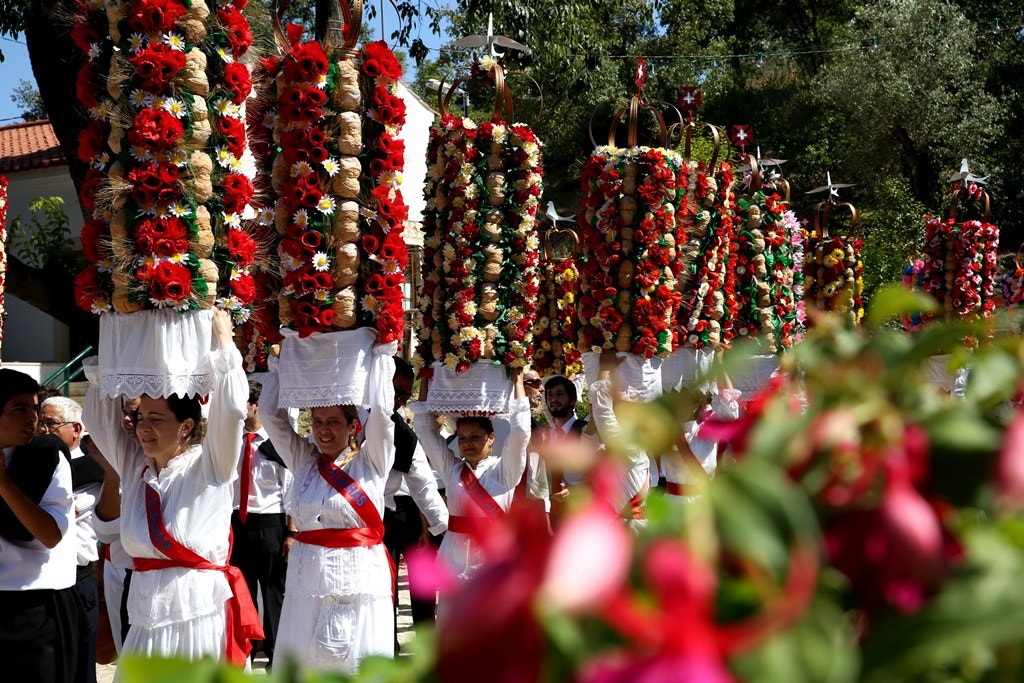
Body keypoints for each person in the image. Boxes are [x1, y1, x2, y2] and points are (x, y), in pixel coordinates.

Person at [83, 309, 262, 668]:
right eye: (141, 418)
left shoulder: (212, 464)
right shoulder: (136, 467)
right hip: (145, 619)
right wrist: (116, 339)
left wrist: (224, 342)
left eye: (157, 418)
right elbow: (97, 418)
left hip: (197, 617)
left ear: (186, 426)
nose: (143, 428)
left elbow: (230, 411)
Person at [260, 346, 397, 673]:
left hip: (358, 578)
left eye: (334, 422)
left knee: (353, 663)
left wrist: (379, 358)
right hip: (306, 580)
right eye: (318, 421)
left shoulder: (372, 461)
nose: (323, 429)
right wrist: (279, 365)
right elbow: (270, 417)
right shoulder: (304, 460)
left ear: (353, 426)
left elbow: (380, 411)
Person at [412, 369, 529, 607]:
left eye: (475, 437)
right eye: (463, 438)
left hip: (492, 559)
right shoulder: (453, 470)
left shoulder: (504, 470)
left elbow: (520, 433)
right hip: (453, 561)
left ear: (491, 438)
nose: (467, 443)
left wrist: (517, 381)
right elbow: (424, 429)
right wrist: (425, 376)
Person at [0, 368, 80, 682]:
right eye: (19, 409)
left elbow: (49, 534)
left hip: (33, 606)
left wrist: (3, 483)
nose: (32, 418)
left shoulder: (47, 456)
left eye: (34, 409)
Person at [40, 396, 105, 683]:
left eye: (51, 424)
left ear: (76, 429)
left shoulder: (91, 471)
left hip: (77, 580)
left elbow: (63, 512)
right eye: (40, 422)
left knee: (79, 664)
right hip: (42, 579)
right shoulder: (35, 464)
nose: (43, 429)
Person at [384, 357, 447, 645]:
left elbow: (424, 485)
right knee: (384, 591)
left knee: (422, 588)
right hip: (367, 520)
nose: (398, 400)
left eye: (404, 395)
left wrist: (443, 530)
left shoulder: (406, 437)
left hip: (406, 512)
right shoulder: (347, 418)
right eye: (394, 391)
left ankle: (425, 650)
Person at [230, 380, 292, 668]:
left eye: (242, 403)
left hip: (269, 523)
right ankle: (247, 653)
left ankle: (276, 656)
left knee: (271, 590)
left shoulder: (275, 445)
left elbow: (290, 488)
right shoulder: (233, 443)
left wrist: (291, 531)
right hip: (238, 524)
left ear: (255, 405)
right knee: (243, 592)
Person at [587, 350, 650, 525]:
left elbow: (604, 416)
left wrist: (604, 371)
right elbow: (598, 426)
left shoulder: (631, 449)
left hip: (628, 530)